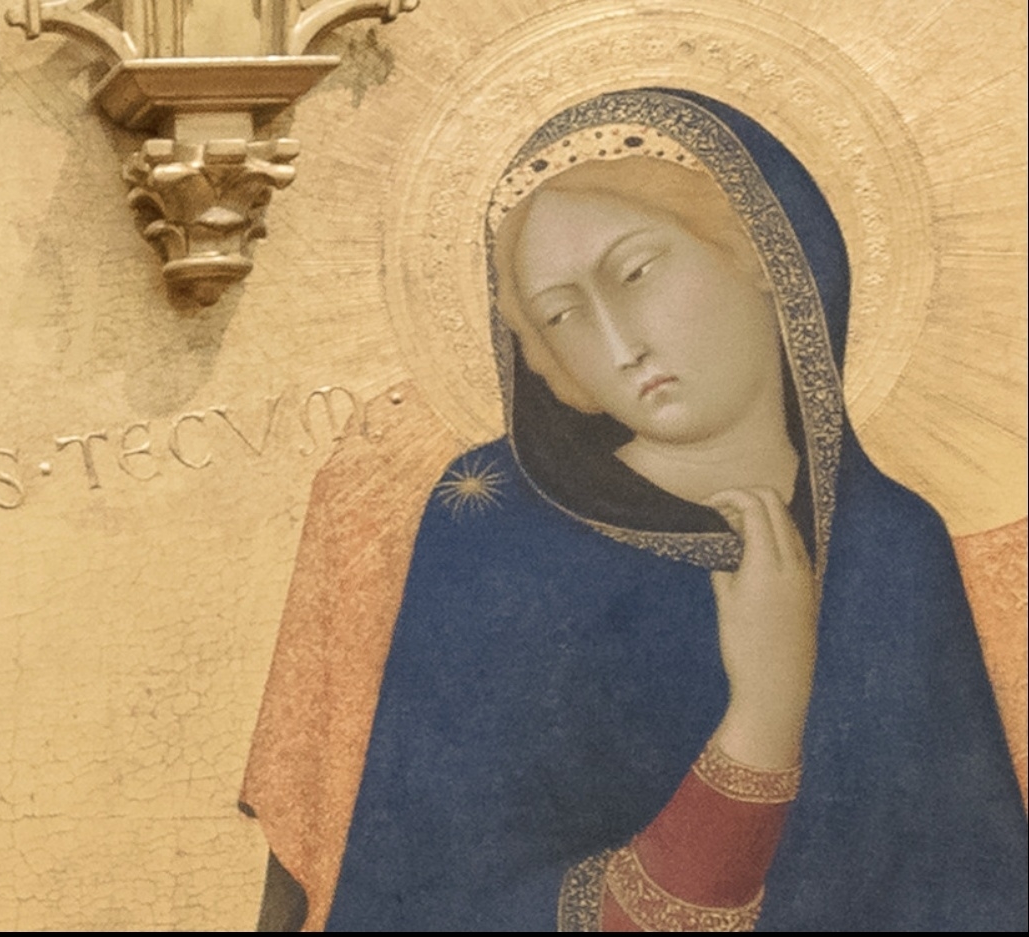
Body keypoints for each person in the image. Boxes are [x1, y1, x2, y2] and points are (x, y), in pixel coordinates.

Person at [260, 88, 1028, 931]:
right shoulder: (496, 533)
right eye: (562, 315)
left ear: (759, 254)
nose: (620, 343)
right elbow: (428, 903)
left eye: (636, 272)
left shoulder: (892, 545)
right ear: (551, 365)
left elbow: (975, 889)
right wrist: (764, 712)